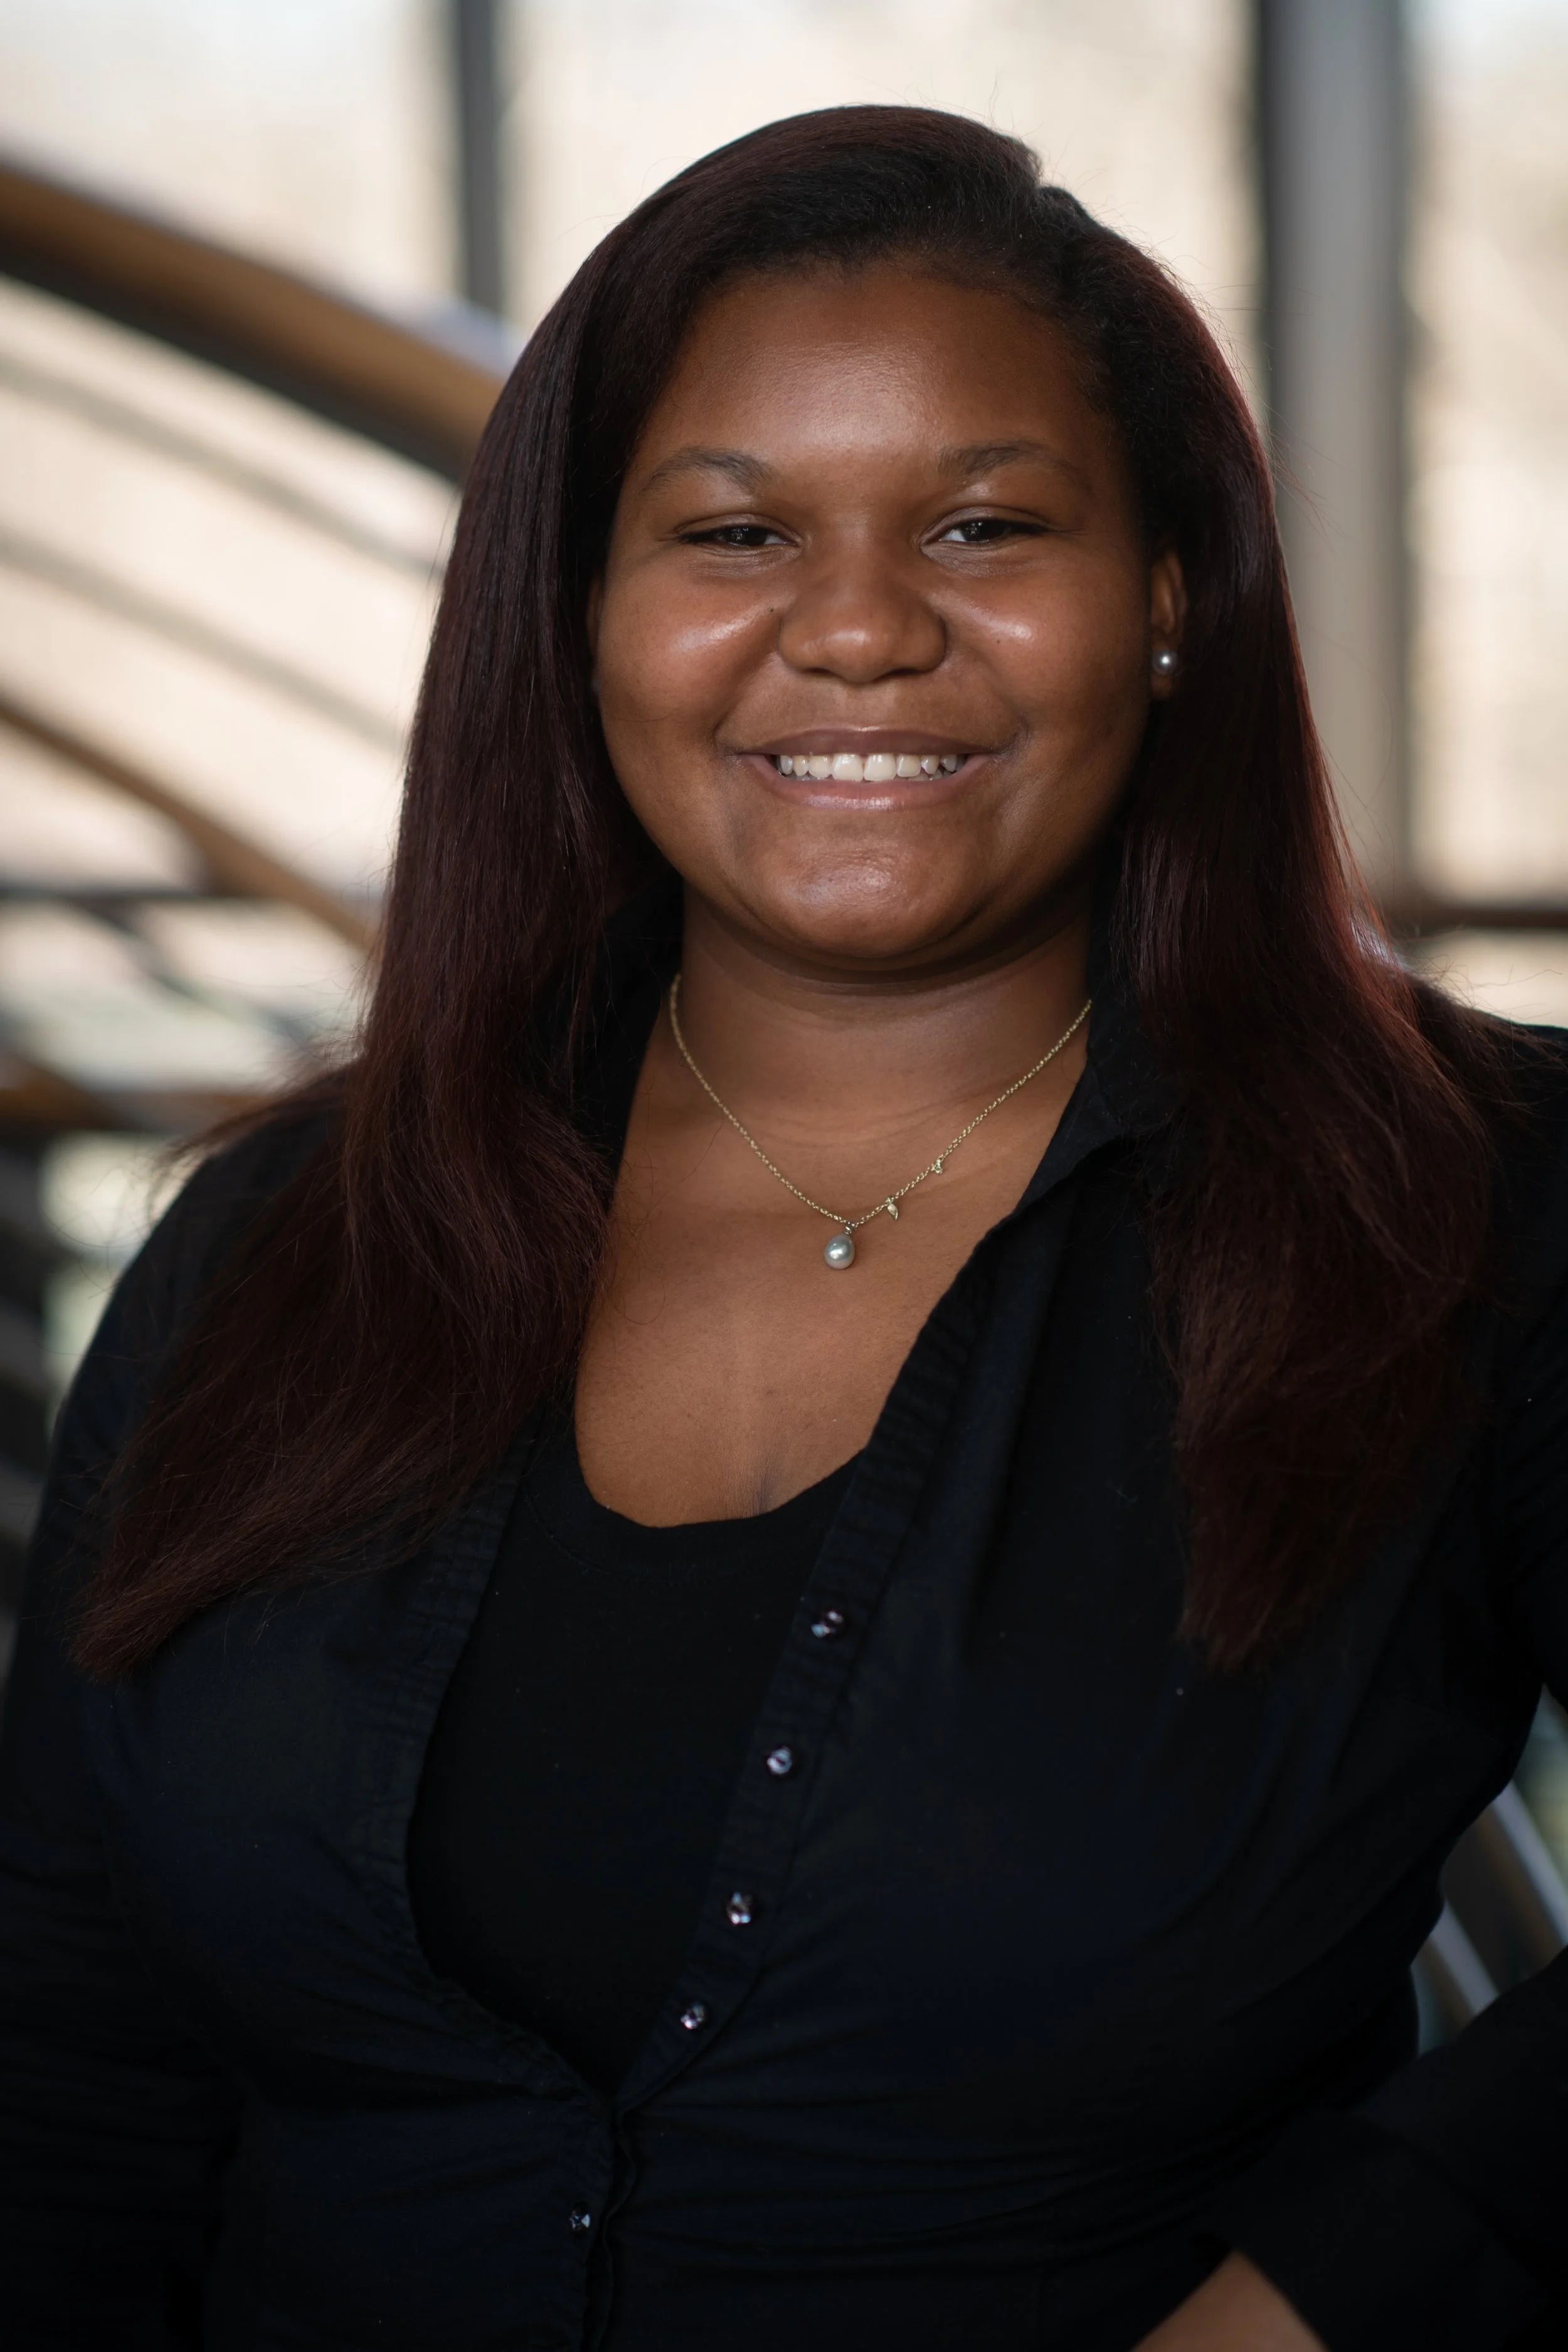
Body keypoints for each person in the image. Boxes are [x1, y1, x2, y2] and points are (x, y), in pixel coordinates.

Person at [1, 105, 1564, 2352]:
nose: (852, 629)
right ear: (583, 616)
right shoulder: (285, 1242)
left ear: (1167, 599)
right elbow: (66, 2052)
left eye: (983, 523)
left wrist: (1327, 2295)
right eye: (730, 529)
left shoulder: (1475, 1203)